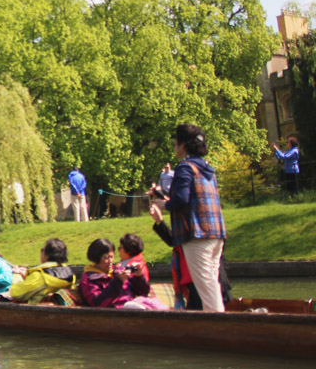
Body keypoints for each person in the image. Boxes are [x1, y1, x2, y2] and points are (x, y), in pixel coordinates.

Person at [150, 123, 227, 312]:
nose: (175, 145)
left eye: (176, 142)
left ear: (182, 144)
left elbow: (182, 199)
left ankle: (220, 329)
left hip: (197, 235)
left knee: (206, 286)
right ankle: (219, 324)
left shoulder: (185, 167)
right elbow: (192, 196)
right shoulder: (207, 168)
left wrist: (164, 204)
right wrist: (167, 196)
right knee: (211, 284)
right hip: (216, 233)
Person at [79, 238, 153, 308]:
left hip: (135, 307)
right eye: (106, 258)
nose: (110, 261)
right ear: (96, 258)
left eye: (112, 257)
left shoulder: (118, 271)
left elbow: (144, 292)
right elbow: (98, 303)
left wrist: (138, 277)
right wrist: (118, 282)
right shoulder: (89, 279)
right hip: (114, 314)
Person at [2, 238, 74, 304]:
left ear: (47, 255)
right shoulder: (69, 273)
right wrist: (27, 275)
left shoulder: (39, 276)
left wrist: (17, 274)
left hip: (35, 315)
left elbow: (16, 293)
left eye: (42, 250)